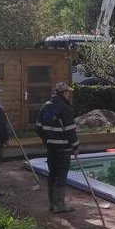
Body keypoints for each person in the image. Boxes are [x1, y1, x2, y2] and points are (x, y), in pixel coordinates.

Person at [36, 82, 80, 213]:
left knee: (52, 174)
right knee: (61, 175)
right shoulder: (65, 108)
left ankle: (52, 204)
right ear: (65, 93)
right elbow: (70, 130)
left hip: (50, 147)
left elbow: (38, 127)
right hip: (63, 148)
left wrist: (46, 140)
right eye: (68, 92)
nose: (69, 95)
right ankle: (59, 205)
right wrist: (76, 146)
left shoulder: (46, 106)